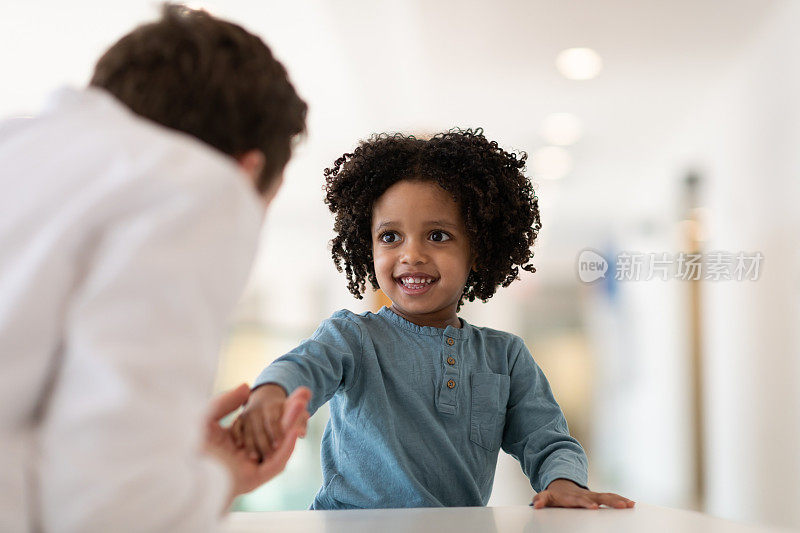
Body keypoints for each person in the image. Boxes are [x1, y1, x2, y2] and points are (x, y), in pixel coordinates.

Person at [0, 5, 311, 532]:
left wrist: (169, 455)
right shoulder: (200, 185)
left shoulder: (18, 145)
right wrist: (218, 477)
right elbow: (110, 510)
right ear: (247, 170)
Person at [233, 129, 637, 510]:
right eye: (390, 237)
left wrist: (563, 483)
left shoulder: (506, 356)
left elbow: (546, 439)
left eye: (438, 236)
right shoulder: (351, 338)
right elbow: (302, 366)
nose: (411, 254)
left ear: (477, 249)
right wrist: (271, 392)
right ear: (366, 245)